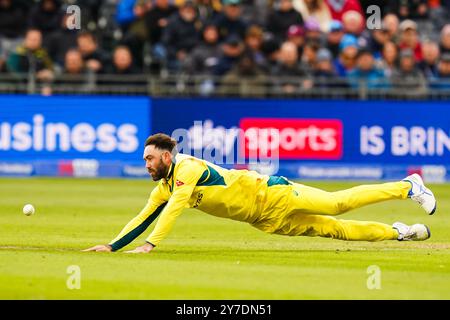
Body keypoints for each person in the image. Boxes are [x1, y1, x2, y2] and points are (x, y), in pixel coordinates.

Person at [84, 133, 436, 253]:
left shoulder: (186, 169)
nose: (146, 164)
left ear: (165, 156)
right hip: (262, 220)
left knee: (337, 204)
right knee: (335, 230)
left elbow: (175, 207)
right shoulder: (163, 186)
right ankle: (399, 232)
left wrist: (151, 245)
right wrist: (114, 245)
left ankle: (408, 186)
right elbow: (144, 216)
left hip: (272, 195)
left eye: (149, 158)